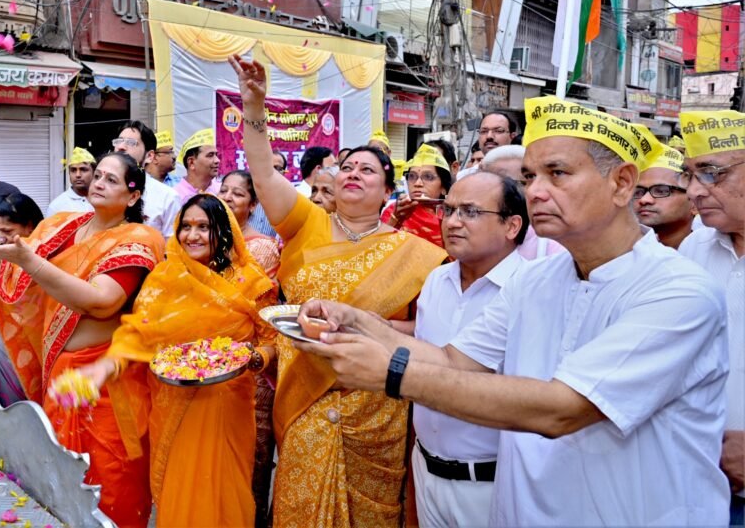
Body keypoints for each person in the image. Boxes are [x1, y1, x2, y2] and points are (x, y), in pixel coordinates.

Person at [297, 96, 729, 526]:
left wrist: (393, 375)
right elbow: (453, 360)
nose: (535, 192)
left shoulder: (678, 291)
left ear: (621, 183)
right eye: (529, 177)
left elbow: (562, 408)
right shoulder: (535, 279)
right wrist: (356, 323)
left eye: (557, 173)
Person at [228, 54, 447, 528]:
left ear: (387, 190)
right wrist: (254, 105)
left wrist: (377, 327)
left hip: (375, 404)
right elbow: (263, 174)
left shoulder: (415, 253)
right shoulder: (307, 223)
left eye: (368, 170)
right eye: (347, 167)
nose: (353, 173)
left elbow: (431, 329)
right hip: (304, 395)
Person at [0, 152, 165, 528]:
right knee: (60, 478)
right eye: (99, 175)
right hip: (61, 376)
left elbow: (100, 302)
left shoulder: (138, 239)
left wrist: (30, 262)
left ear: (132, 196)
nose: (99, 182)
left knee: (110, 481)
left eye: (112, 179)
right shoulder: (62, 226)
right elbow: (15, 288)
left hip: (106, 381)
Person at [86, 194, 276, 528]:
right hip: (172, 403)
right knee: (180, 492)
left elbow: (272, 339)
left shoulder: (250, 281)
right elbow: (138, 333)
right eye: (186, 226)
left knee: (224, 490)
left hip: (227, 406)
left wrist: (255, 358)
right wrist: (106, 366)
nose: (192, 235)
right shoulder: (164, 279)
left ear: (224, 231)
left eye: (204, 227)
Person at [410, 172, 527, 527]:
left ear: (512, 226)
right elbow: (425, 351)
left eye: (471, 212)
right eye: (448, 210)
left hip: (490, 484)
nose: (452, 222)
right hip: (426, 469)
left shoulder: (529, 289)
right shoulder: (437, 279)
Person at [677, 109, 745, 524]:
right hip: (697, 474)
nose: (693, 191)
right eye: (688, 175)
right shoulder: (694, 249)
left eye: (710, 173)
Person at [219, 169, 282, 527]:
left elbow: (249, 310)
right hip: (208, 364)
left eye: (238, 193)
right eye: (223, 190)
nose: (228, 197)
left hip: (251, 364)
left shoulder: (260, 248)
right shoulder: (204, 241)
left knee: (250, 456)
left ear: (253, 204)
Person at [0, 192, 44, 410]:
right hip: (8, 339)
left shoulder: (41, 253)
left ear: (29, 226)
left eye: (7, 231)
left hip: (31, 344)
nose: (1, 238)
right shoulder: (10, 251)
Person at [481, 145, 564, 260]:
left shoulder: (553, 245)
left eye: (521, 183)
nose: (507, 191)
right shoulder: (465, 233)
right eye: (495, 184)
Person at [113, 121, 182, 239]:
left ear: (149, 156)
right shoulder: (100, 189)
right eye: (118, 141)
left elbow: (171, 246)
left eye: (131, 143)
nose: (121, 147)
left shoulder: (168, 197)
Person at [382, 144, 453, 248]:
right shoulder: (395, 211)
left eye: (428, 177)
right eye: (412, 176)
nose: (417, 183)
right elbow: (378, 249)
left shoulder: (453, 216)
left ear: (444, 188)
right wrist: (395, 219)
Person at [633, 144, 695, 250]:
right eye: (638, 192)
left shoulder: (710, 254)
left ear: (694, 202)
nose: (644, 200)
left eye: (661, 191)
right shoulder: (615, 253)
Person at [174, 128, 221, 203]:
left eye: (216, 155)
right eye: (210, 155)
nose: (217, 160)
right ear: (191, 162)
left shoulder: (221, 192)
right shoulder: (175, 197)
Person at [47, 147, 95, 216]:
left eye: (83, 170)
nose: (78, 175)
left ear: (94, 173)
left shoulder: (103, 200)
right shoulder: (56, 207)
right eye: (73, 170)